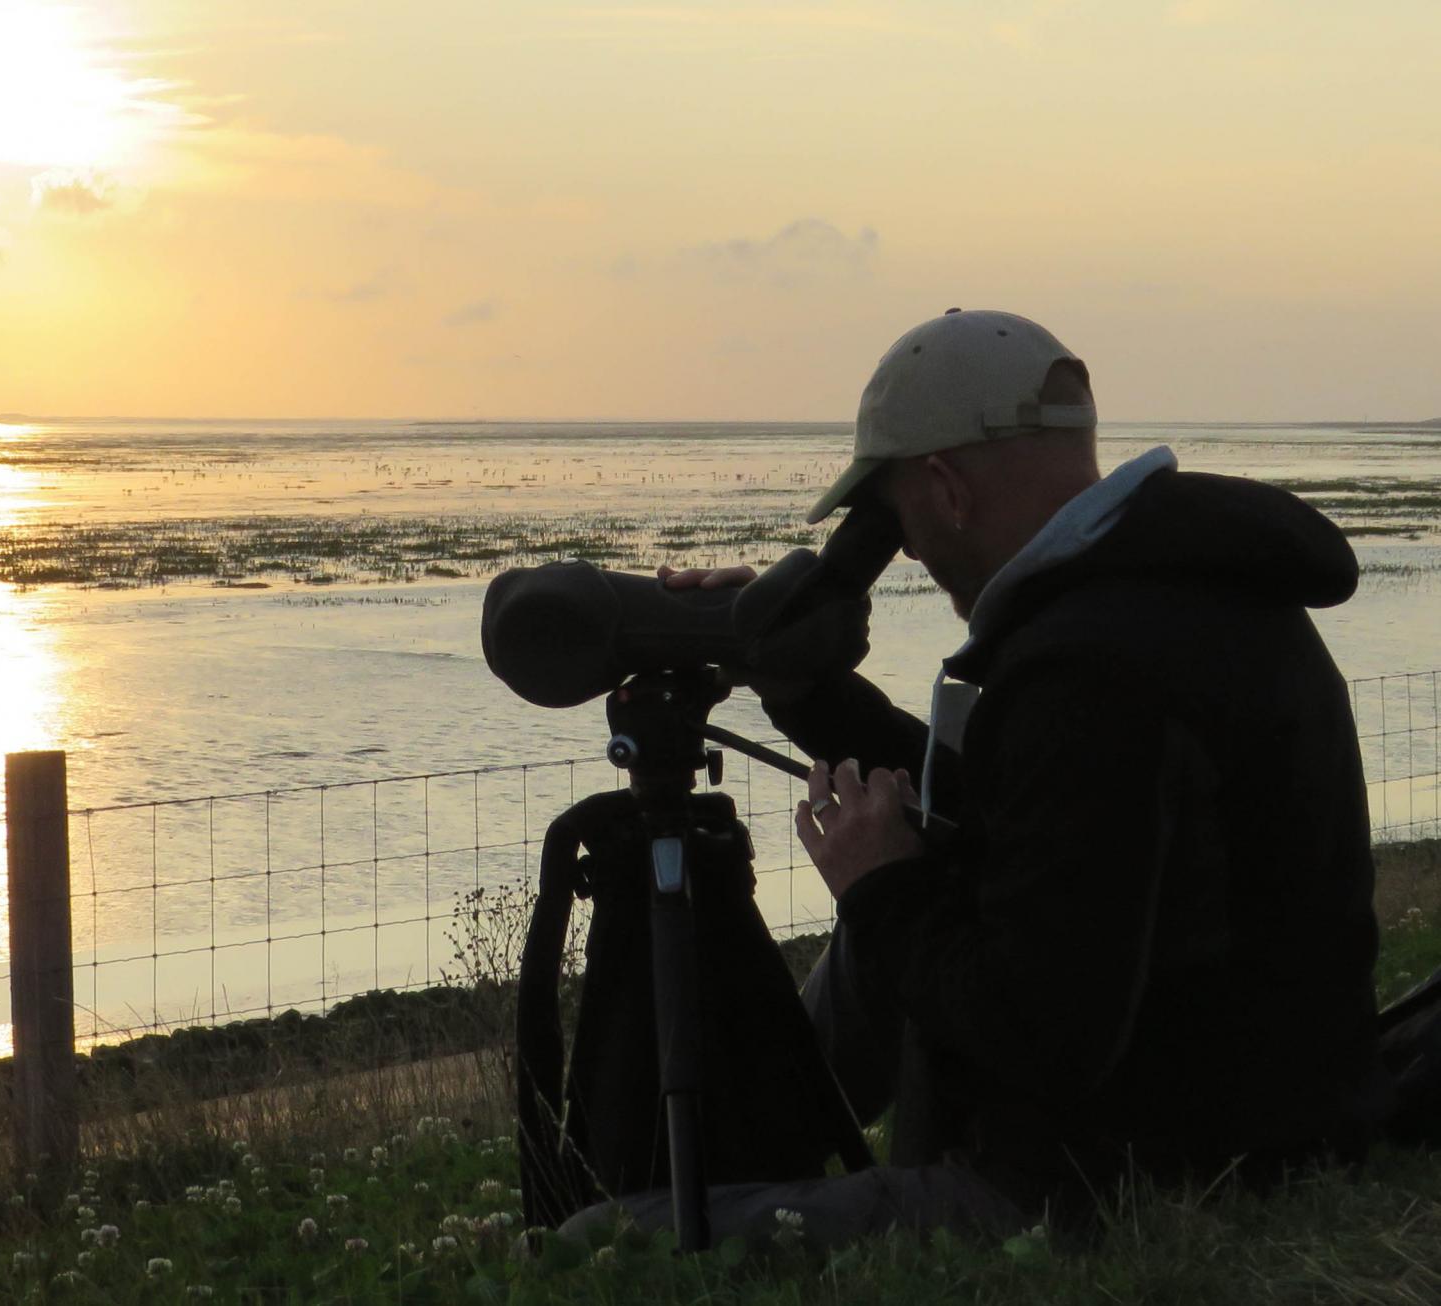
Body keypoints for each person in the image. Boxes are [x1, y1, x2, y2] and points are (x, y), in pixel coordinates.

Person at [575, 307, 1383, 1248]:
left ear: (948, 490)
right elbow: (1017, 814)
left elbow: (1045, 1036)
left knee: (603, 1242)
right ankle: (739, 1151)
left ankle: (703, 1180)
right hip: (1259, 1107)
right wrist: (798, 686)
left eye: (893, 516)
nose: (903, 547)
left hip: (1135, 1178)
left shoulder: (1088, 667)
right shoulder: (1172, 593)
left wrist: (884, 886)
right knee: (893, 918)